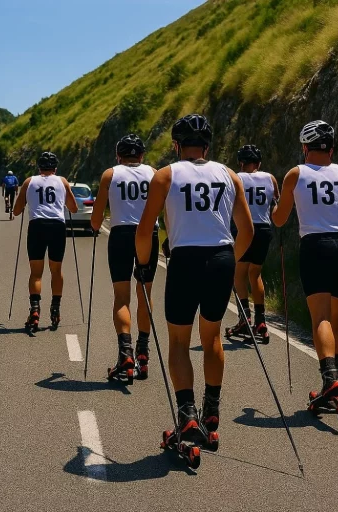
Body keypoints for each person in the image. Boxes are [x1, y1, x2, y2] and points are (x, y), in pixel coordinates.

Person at [135, 114, 253, 444]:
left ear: (176, 145)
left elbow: (145, 230)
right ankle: (211, 410)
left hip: (185, 259)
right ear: (208, 146)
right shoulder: (230, 175)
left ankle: (187, 415)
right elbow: (247, 230)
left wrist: (144, 265)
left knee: (178, 342)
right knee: (212, 337)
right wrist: (231, 261)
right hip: (221, 258)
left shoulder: (165, 176)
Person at [271, 120, 338, 414]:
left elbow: (279, 220)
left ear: (305, 148)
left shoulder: (296, 174)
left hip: (315, 246)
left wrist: (274, 207)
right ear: (331, 149)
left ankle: (329, 378)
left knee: (320, 318)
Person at [90, 134, 159, 381]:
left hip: (120, 234)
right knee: (145, 294)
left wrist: (95, 227)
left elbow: (96, 219)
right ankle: (143, 352)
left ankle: (125, 354)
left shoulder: (111, 174)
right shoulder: (153, 172)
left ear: (118, 156)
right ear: (141, 155)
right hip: (148, 234)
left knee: (122, 297)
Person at [12, 152, 78, 333]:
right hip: (57, 227)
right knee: (56, 269)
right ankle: (55, 308)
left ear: (38, 167)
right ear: (55, 168)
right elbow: (73, 208)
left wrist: (27, 201)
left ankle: (34, 309)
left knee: (36, 273)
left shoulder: (29, 182)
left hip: (37, 226)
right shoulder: (62, 181)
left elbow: (16, 211)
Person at [225, 144, 279, 344]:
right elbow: (275, 203)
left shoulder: (234, 178)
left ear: (240, 162)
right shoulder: (270, 178)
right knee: (255, 274)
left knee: (238, 273)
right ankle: (261, 320)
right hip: (264, 230)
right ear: (259, 163)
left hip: (242, 228)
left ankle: (244, 317)